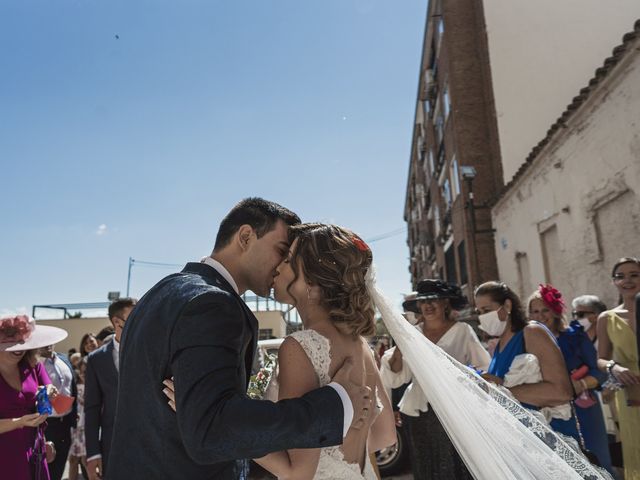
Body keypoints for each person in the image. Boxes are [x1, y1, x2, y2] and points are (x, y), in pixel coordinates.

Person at [107, 198, 373, 480]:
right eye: (281, 251)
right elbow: (212, 428)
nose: (281, 266)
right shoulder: (212, 303)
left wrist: (198, 408)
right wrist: (335, 406)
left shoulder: (156, 296)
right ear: (245, 237)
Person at [165, 223, 397, 479]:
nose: (277, 266)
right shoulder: (358, 343)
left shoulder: (301, 346)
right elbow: (384, 435)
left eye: (287, 259)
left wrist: (218, 423)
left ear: (312, 279)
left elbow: (297, 473)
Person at [380, 279, 490, 480]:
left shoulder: (463, 331)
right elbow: (396, 375)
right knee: (425, 467)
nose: (428, 306)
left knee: (456, 467)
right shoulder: (413, 334)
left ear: (446, 303)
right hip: (418, 414)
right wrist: (402, 338)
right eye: (423, 302)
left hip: (455, 411)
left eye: (434, 300)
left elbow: (483, 369)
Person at [528, 285, 614, 477]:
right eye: (534, 311)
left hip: (584, 412)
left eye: (545, 310)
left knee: (596, 463)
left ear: (556, 312)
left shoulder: (574, 335)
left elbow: (599, 372)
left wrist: (581, 384)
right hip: (548, 413)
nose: (540, 315)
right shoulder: (523, 342)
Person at [473, 281, 573, 411]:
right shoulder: (499, 345)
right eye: (479, 312)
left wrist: (501, 390)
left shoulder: (532, 332)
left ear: (507, 306)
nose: (483, 317)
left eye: (486, 310)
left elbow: (562, 392)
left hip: (549, 427)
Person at [0, 314, 67, 480]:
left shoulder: (33, 365)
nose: (19, 347)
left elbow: (48, 388)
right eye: (11, 343)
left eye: (22, 341)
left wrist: (49, 392)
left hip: (34, 450)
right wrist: (20, 422)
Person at [84, 297, 137, 480]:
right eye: (135, 316)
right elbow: (91, 408)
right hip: (112, 446)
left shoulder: (152, 351)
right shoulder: (96, 360)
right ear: (116, 321)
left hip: (151, 445)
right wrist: (93, 453)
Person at [597, 257, 640, 480]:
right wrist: (614, 368)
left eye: (634, 274)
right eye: (620, 276)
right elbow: (601, 359)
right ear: (614, 282)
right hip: (630, 390)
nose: (628, 280)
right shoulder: (607, 318)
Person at [39, 343, 78, 480]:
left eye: (50, 341)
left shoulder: (64, 359)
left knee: (60, 465)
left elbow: (72, 387)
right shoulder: (35, 364)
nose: (47, 344)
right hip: (46, 424)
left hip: (66, 422)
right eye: (44, 341)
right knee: (46, 467)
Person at [68, 358, 88, 480]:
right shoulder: (75, 387)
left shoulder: (95, 386)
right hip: (76, 428)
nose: (84, 375)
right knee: (73, 460)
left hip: (88, 428)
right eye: (82, 372)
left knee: (87, 460)